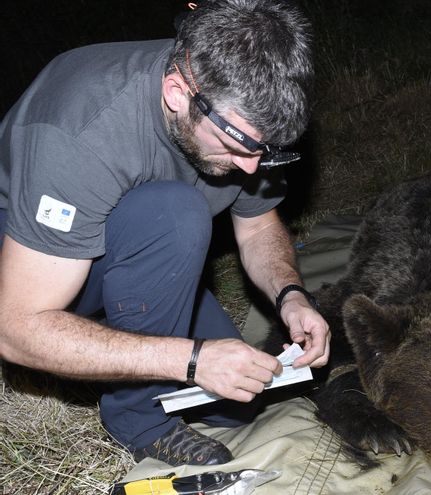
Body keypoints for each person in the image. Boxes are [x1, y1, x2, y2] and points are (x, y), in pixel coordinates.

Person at [0, 0, 330, 466]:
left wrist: (291, 296)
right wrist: (192, 360)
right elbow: (15, 329)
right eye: (239, 147)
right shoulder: (81, 131)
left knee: (241, 404)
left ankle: (126, 320)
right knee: (175, 213)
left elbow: (256, 226)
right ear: (177, 93)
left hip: (131, 243)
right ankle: (139, 419)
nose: (252, 167)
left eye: (267, 151)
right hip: (28, 256)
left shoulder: (238, 117)